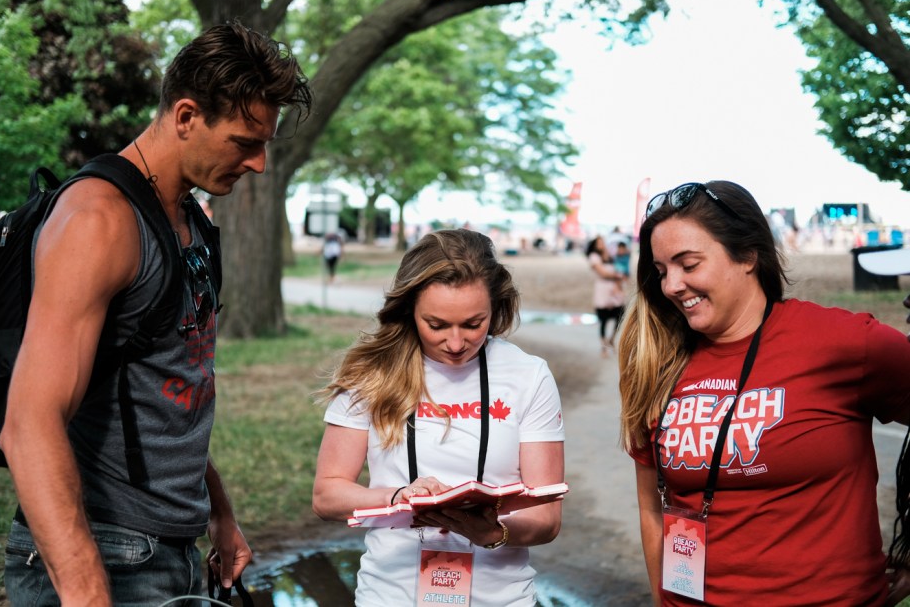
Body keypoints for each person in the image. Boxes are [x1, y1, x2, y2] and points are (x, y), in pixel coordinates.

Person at [0, 21, 312, 605]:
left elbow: (173, 386)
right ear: (187, 116)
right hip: (104, 554)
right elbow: (29, 422)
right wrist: (87, 589)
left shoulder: (191, 221)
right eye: (245, 142)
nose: (260, 164)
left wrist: (218, 510)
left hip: (175, 546)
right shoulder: (99, 221)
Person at [617, 181, 910, 606]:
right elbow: (650, 507)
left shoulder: (843, 342)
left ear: (748, 255)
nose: (671, 286)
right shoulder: (658, 360)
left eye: (689, 264)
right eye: (662, 271)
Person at [312, 228, 565, 606]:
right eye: (437, 325)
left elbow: (546, 517)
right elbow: (327, 493)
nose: (456, 342)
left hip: (501, 597)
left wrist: (494, 532)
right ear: (409, 309)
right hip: (389, 594)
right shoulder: (373, 373)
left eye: (473, 323)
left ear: (495, 307)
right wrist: (398, 496)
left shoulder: (528, 375)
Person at [586, 235, 627, 356]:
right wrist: (618, 276)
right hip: (603, 289)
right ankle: (604, 347)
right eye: (599, 243)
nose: (601, 245)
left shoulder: (609, 255)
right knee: (603, 319)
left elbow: (619, 266)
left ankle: (611, 340)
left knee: (620, 315)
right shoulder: (593, 257)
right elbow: (602, 273)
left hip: (614, 288)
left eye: (602, 242)